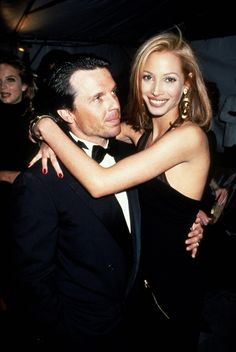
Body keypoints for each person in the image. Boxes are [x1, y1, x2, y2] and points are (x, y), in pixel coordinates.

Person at [29, 32, 211, 351]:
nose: (156, 90)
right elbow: (94, 126)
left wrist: (45, 127)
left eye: (169, 79)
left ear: (187, 83)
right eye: (147, 77)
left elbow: (100, 183)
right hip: (137, 283)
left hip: (170, 287)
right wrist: (41, 130)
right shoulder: (141, 133)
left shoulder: (188, 136)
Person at [8, 55, 142, 351]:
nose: (114, 105)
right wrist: (64, 335)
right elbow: (31, 280)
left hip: (133, 320)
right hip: (81, 332)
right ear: (66, 114)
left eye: (113, 92)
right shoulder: (39, 181)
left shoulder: (132, 156)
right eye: (97, 98)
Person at [0, 57, 38, 312]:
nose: (2, 85)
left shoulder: (36, 119)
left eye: (10, 79)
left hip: (25, 205)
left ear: (24, 85)